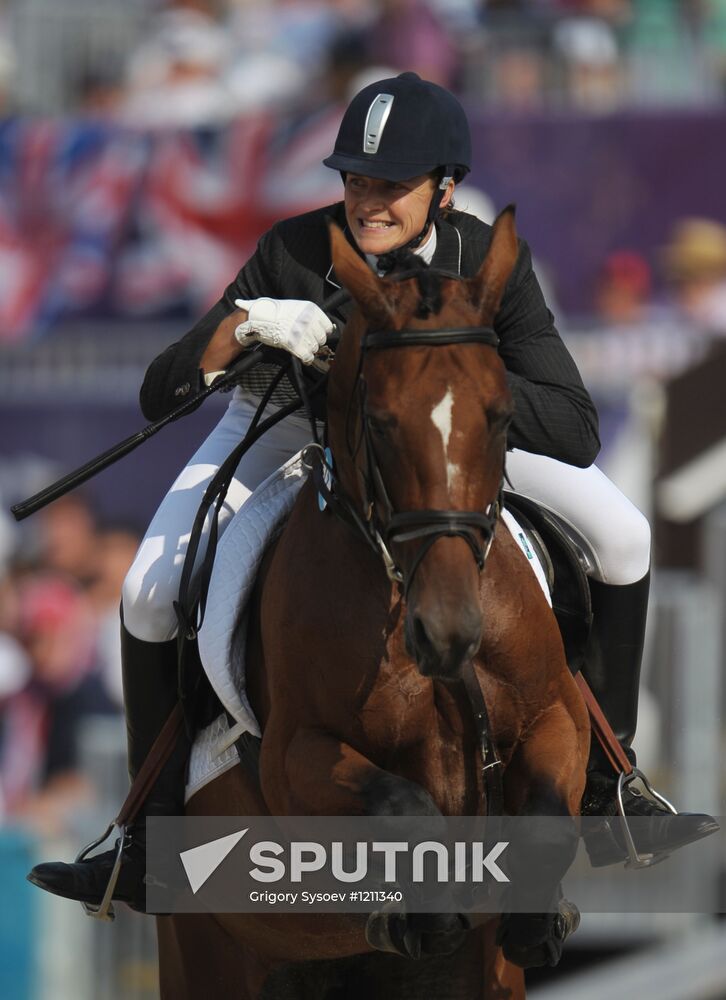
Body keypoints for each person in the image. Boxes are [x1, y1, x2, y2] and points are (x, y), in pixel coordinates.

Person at [28, 71, 717, 911]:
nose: (367, 201)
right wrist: (246, 326)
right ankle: (142, 838)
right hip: (292, 432)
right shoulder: (294, 250)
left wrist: (460, 376)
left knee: (624, 534)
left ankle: (613, 785)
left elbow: (573, 426)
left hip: (450, 436)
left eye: (391, 185)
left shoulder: (484, 260)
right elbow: (160, 387)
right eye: (356, 179)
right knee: (146, 591)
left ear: (445, 188)